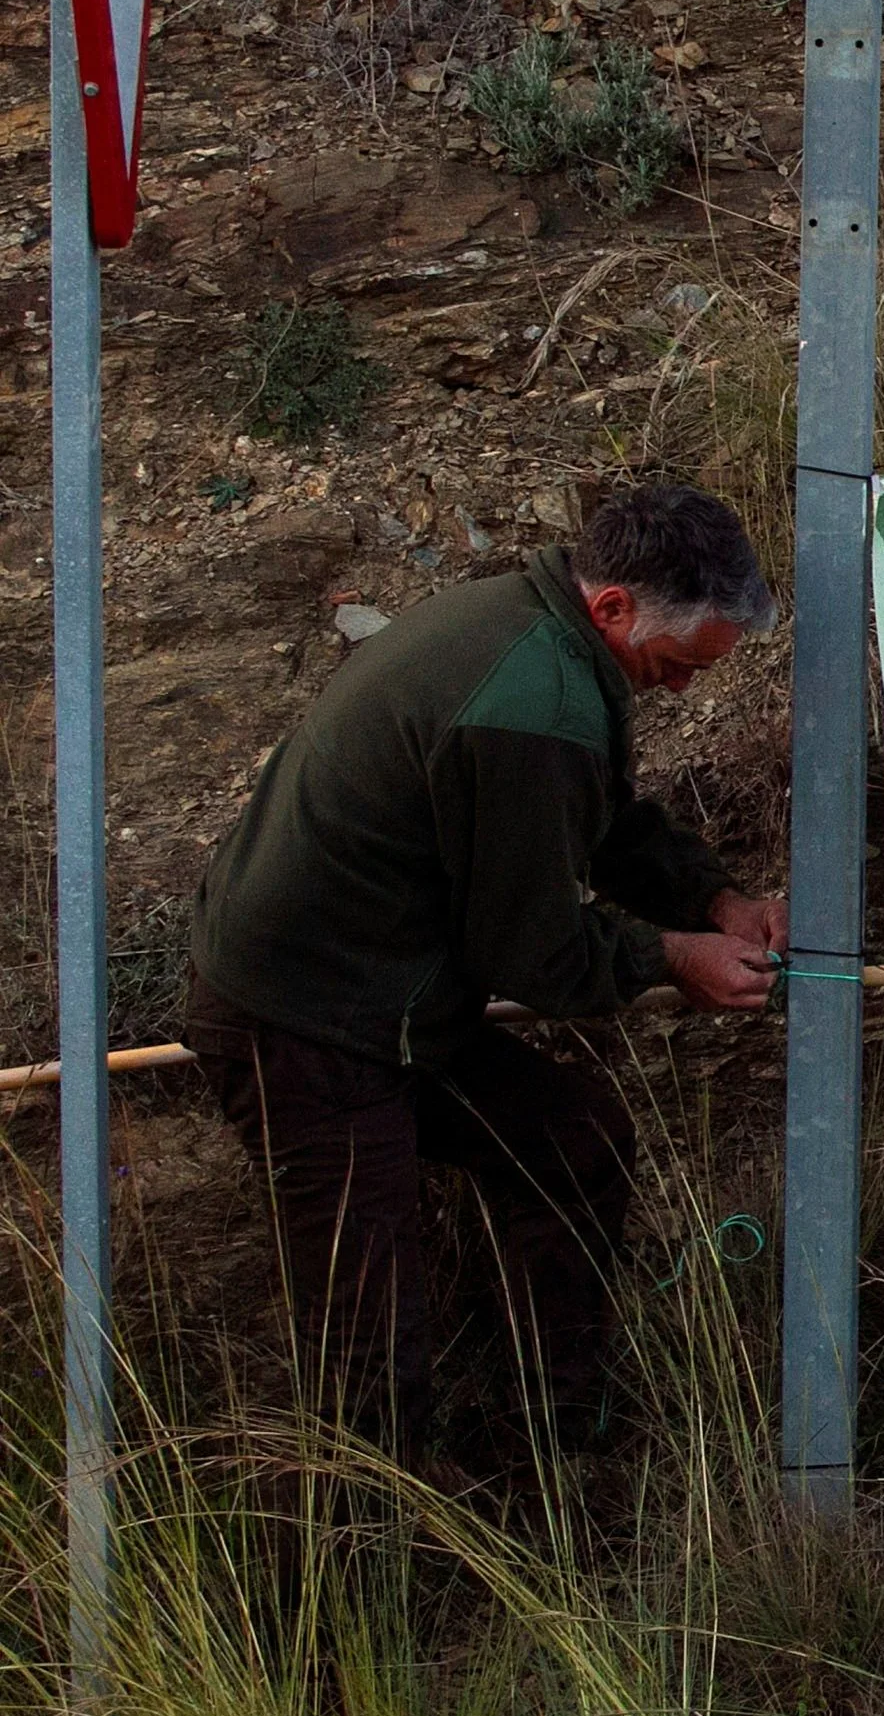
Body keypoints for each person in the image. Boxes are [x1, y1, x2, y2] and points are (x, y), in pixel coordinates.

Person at [185, 484, 787, 1463]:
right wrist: (675, 959)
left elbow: (596, 817)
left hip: (393, 997)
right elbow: (537, 957)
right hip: (304, 1026)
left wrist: (714, 901)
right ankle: (363, 1592)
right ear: (613, 609)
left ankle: (553, 1451)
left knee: (575, 1138)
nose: (676, 691)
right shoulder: (531, 701)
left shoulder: (540, 635)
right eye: (674, 668)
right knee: (368, 1347)